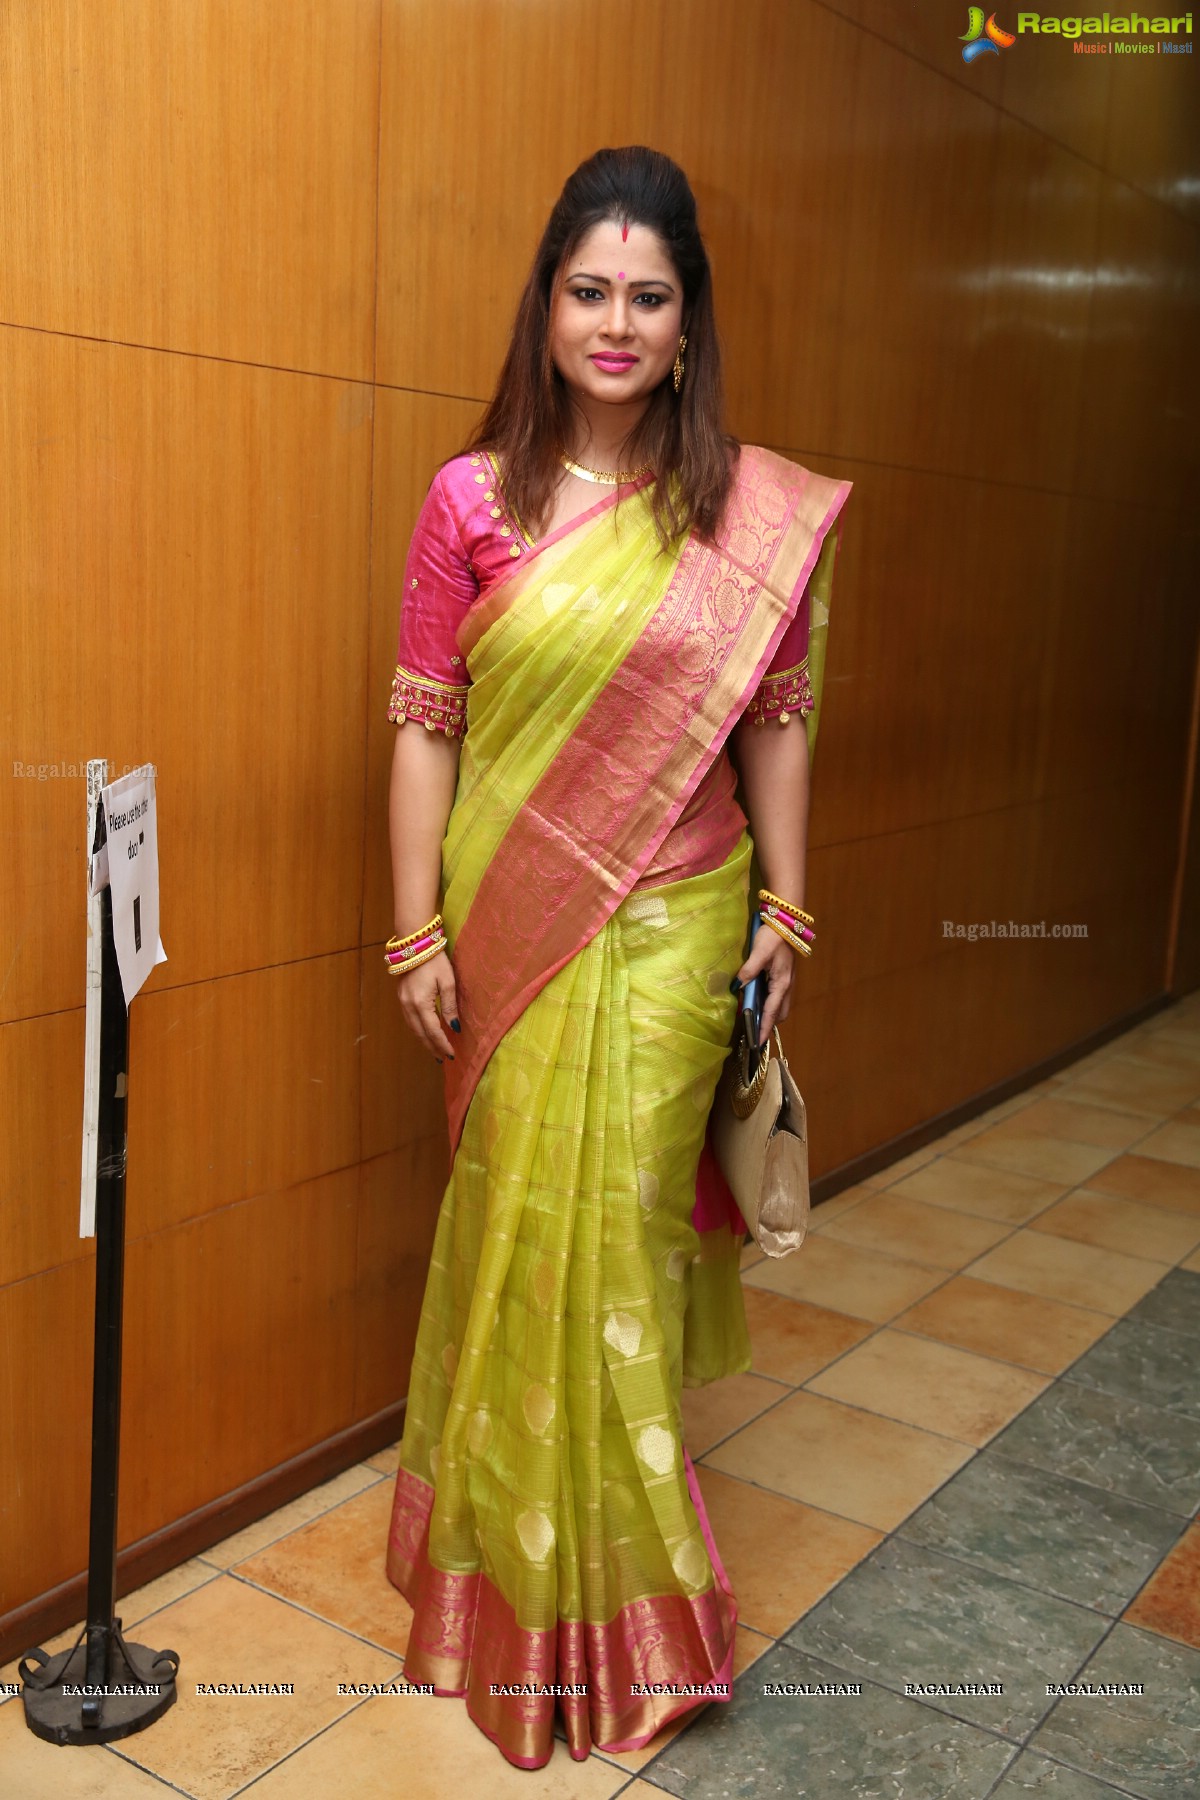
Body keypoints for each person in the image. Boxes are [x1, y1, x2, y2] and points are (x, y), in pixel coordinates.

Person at [382, 145, 851, 1769]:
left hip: (677, 935)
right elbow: (426, 731)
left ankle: (633, 1616)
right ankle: (500, 1586)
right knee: (523, 1226)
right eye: (590, 290)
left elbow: (777, 726)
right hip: (511, 939)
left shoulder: (744, 513)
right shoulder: (471, 502)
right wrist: (414, 928)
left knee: (614, 1250)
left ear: (686, 317)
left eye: (649, 296)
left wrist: (787, 909)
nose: (617, 322)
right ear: (549, 301)